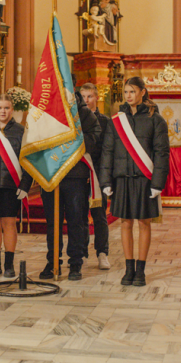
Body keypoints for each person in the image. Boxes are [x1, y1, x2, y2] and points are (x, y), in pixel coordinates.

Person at [99, 77, 170, 286]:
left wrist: (157, 183)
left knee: (144, 223)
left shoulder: (156, 120)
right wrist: (106, 182)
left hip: (145, 180)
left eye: (132, 91)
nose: (128, 95)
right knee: (125, 223)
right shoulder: (116, 120)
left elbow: (162, 153)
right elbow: (108, 151)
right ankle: (128, 269)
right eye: (126, 92)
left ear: (142, 92)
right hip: (122, 179)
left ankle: (141, 270)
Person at [37, 84, 102, 281]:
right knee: (52, 223)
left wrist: (73, 143)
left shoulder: (83, 112)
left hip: (75, 175)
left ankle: (75, 263)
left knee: (76, 221)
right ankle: (53, 261)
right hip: (51, 175)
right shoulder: (47, 113)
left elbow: (95, 136)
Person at [0, 94, 31, 279]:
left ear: (12, 110)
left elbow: (28, 159)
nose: (3, 111)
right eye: (0, 108)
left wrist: (26, 184)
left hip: (12, 185)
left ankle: (9, 265)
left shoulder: (21, 131)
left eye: (6, 108)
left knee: (9, 223)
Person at [79, 83, 111, 270]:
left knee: (99, 216)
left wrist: (106, 178)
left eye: (89, 96)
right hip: (80, 175)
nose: (86, 100)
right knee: (80, 215)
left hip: (98, 175)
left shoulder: (105, 121)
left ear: (96, 98)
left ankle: (102, 253)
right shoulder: (76, 121)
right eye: (83, 97)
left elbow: (108, 152)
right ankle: (82, 252)